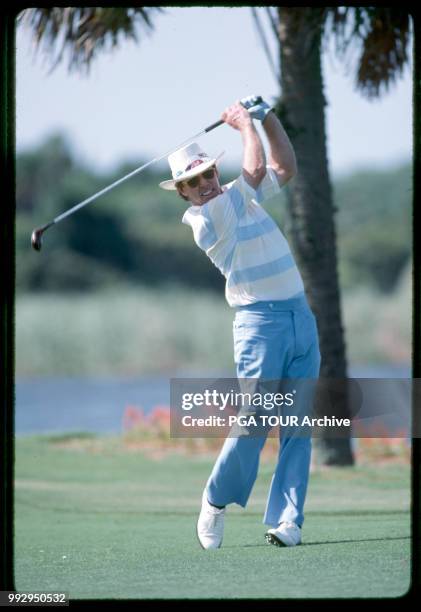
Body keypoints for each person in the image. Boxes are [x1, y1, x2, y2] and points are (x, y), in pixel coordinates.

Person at [159, 95, 321, 549]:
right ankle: (214, 500)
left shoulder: (238, 198)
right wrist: (244, 124)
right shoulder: (206, 219)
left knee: (297, 424)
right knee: (253, 420)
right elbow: (251, 171)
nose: (206, 183)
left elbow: (284, 168)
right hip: (259, 325)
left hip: (299, 317)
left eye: (208, 173)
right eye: (194, 181)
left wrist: (266, 117)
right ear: (185, 192)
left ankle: (287, 521)